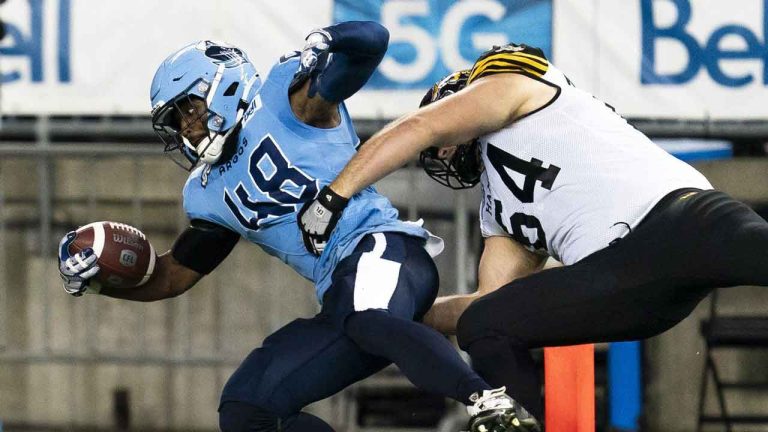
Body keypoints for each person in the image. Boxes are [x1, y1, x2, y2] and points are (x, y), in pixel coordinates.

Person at [56, 23, 541, 432]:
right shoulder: (206, 191)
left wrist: (327, 39)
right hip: (341, 300)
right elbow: (171, 276)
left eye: (187, 110)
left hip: (381, 249)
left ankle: (488, 404)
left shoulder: (287, 102)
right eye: (176, 120)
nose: (185, 128)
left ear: (220, 85)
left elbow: (371, 40)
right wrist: (97, 282)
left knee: (368, 316)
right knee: (248, 408)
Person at [297, 42, 768, 423]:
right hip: (629, 276)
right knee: (487, 326)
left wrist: (334, 195)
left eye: (442, 141)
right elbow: (487, 309)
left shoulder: (513, 86)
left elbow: (419, 127)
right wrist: (396, 312)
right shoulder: (498, 211)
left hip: (687, 218)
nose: (440, 154)